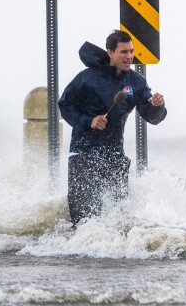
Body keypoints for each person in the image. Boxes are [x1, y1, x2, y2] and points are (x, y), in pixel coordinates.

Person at [58, 31, 167, 227]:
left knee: (117, 218)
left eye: (132, 51)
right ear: (110, 52)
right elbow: (64, 105)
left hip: (114, 155)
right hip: (84, 153)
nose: (129, 56)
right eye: (124, 52)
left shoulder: (136, 82)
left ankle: (113, 254)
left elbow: (150, 116)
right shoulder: (86, 78)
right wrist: (89, 121)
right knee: (82, 220)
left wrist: (157, 107)